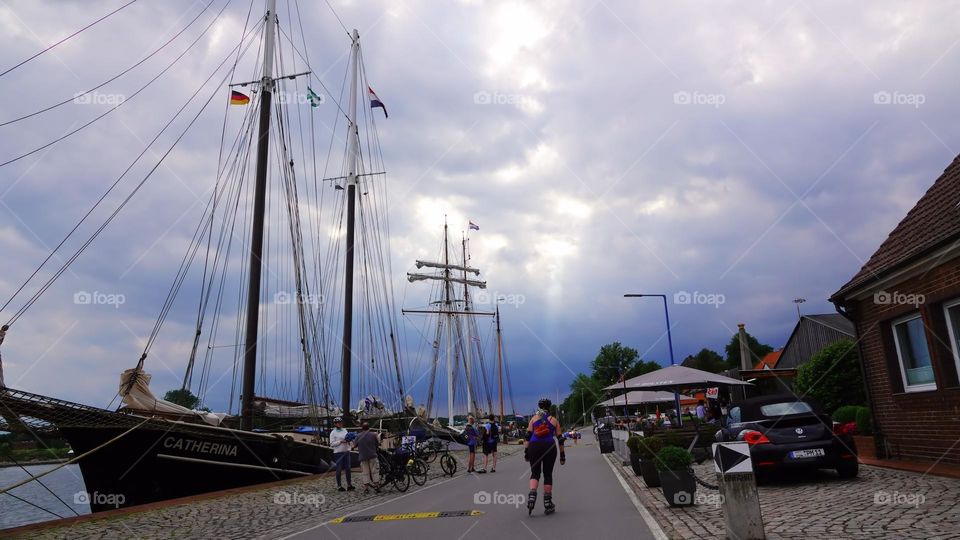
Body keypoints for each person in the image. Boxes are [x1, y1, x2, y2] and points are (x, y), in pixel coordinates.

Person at [524, 398, 565, 516]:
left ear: (539, 407)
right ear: (549, 407)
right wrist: (562, 456)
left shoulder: (533, 419)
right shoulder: (554, 420)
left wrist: (526, 452)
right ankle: (547, 503)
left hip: (534, 446)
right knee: (547, 474)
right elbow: (560, 439)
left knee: (535, 473)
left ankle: (532, 495)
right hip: (549, 447)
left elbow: (527, 437)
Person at [354, 422, 379, 493]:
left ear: (362, 428)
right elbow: (377, 444)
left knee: (365, 472)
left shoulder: (358, 436)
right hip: (372, 455)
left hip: (363, 456)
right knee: (375, 471)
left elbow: (354, 445)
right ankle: (376, 486)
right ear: (369, 428)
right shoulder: (373, 435)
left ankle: (366, 488)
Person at [329, 417, 354, 491]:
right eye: (337, 423)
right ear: (335, 424)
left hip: (346, 451)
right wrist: (340, 441)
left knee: (348, 469)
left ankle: (349, 485)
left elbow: (347, 438)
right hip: (338, 453)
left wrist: (349, 441)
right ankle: (339, 486)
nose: (339, 423)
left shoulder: (345, 430)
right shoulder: (333, 433)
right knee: (339, 469)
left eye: (340, 422)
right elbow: (331, 444)